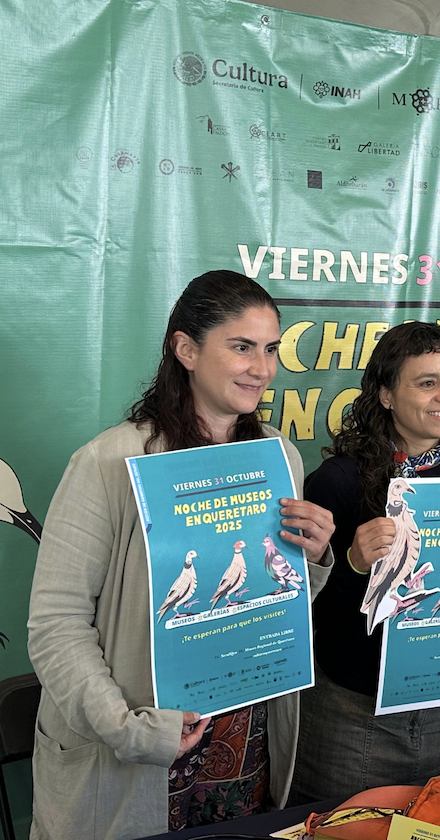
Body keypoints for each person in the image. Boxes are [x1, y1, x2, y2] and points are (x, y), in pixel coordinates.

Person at [27, 270, 336, 840]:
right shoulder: (108, 463)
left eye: (271, 349)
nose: (262, 368)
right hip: (137, 752)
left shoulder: (279, 458)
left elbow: (272, 605)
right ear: (186, 349)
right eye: (241, 347)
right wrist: (131, 730)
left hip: (245, 747)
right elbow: (56, 625)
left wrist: (310, 561)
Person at [288, 321, 440, 802]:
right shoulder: (337, 481)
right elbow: (302, 615)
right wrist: (352, 564)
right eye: (427, 382)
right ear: (385, 395)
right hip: (352, 714)